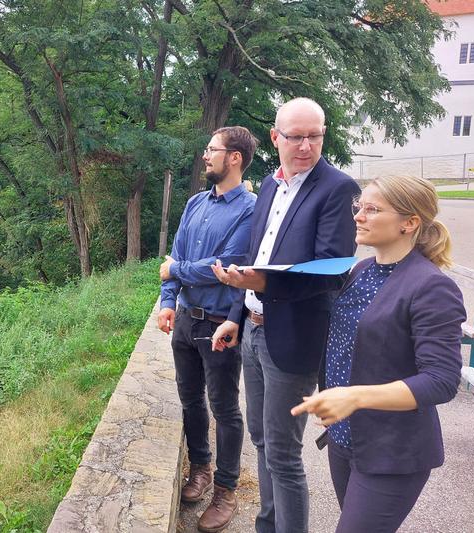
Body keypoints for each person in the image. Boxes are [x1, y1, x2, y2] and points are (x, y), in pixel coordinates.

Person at [211, 98, 361, 533]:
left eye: (315, 135)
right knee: (261, 440)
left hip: (294, 339)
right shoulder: (271, 185)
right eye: (296, 137)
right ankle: (267, 525)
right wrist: (236, 315)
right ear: (276, 138)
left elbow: (331, 272)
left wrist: (263, 285)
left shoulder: (337, 188)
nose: (306, 146)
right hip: (255, 334)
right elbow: (257, 256)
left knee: (283, 453)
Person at [291, 175, 465, 532]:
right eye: (359, 207)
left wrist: (354, 397)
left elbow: (442, 380)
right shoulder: (361, 270)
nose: (358, 216)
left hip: (393, 452)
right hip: (345, 439)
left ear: (409, 222)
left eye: (372, 209)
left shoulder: (432, 287)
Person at [158, 126, 257, 532]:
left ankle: (226, 490)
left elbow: (225, 268)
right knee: (190, 401)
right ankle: (199, 469)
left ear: (234, 157)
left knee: (225, 408)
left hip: (219, 326)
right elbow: (177, 255)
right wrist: (167, 302)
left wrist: (175, 270)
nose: (205, 156)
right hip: (184, 320)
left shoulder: (250, 209)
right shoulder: (195, 202)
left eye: (212, 150)